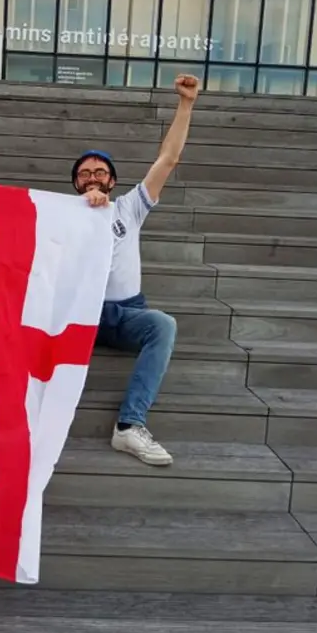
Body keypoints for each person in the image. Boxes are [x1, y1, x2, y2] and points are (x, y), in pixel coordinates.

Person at [71, 74, 200, 466]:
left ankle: (129, 426)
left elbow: (168, 159)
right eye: (85, 172)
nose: (93, 176)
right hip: (82, 312)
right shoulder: (58, 214)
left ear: (112, 180)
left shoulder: (130, 208)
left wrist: (186, 104)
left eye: (100, 171)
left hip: (128, 311)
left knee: (163, 325)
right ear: (75, 182)